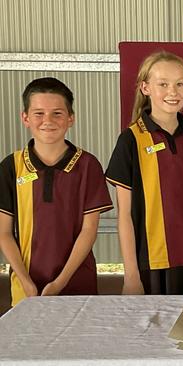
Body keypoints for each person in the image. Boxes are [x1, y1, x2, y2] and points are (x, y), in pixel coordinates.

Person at [105, 51, 183, 295]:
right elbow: (125, 216)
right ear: (145, 88)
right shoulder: (131, 140)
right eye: (163, 84)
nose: (172, 92)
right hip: (151, 263)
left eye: (179, 84)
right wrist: (131, 275)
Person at [0, 77, 113, 306]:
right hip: (27, 288)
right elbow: (4, 233)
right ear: (25, 118)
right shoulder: (11, 166)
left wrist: (60, 283)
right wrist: (26, 282)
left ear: (71, 118)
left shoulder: (88, 165)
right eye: (39, 113)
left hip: (77, 285)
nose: (47, 121)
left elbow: (89, 230)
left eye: (57, 113)